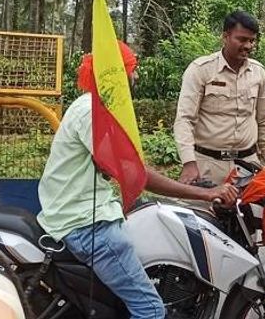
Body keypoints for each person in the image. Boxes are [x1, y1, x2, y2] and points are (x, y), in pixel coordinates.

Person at [37, 42, 237, 319]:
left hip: (81, 214)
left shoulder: (92, 107)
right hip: (86, 224)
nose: (137, 77)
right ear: (118, 75)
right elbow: (135, 174)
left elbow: (116, 167)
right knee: (150, 309)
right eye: (133, 70)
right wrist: (205, 194)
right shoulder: (93, 112)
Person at [174, 10, 265, 188]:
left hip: (248, 166)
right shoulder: (201, 70)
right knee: (204, 215)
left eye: (252, 40)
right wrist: (189, 163)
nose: (248, 46)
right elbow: (185, 119)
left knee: (254, 215)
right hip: (207, 165)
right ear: (225, 36)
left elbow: (264, 119)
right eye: (242, 39)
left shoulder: (258, 72)